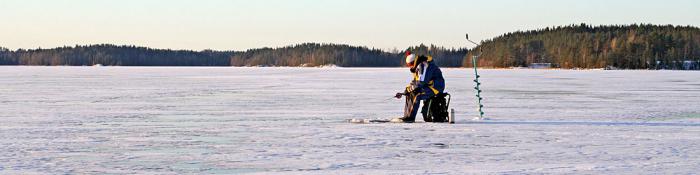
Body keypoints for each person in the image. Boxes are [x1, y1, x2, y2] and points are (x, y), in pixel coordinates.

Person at [393, 50, 445, 122]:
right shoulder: (418, 66)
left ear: (414, 61)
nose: (410, 66)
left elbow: (422, 81)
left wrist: (411, 89)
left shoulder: (423, 65)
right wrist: (406, 90)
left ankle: (410, 118)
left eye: (410, 64)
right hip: (427, 86)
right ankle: (407, 116)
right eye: (408, 65)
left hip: (435, 87)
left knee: (417, 94)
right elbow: (415, 81)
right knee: (410, 93)